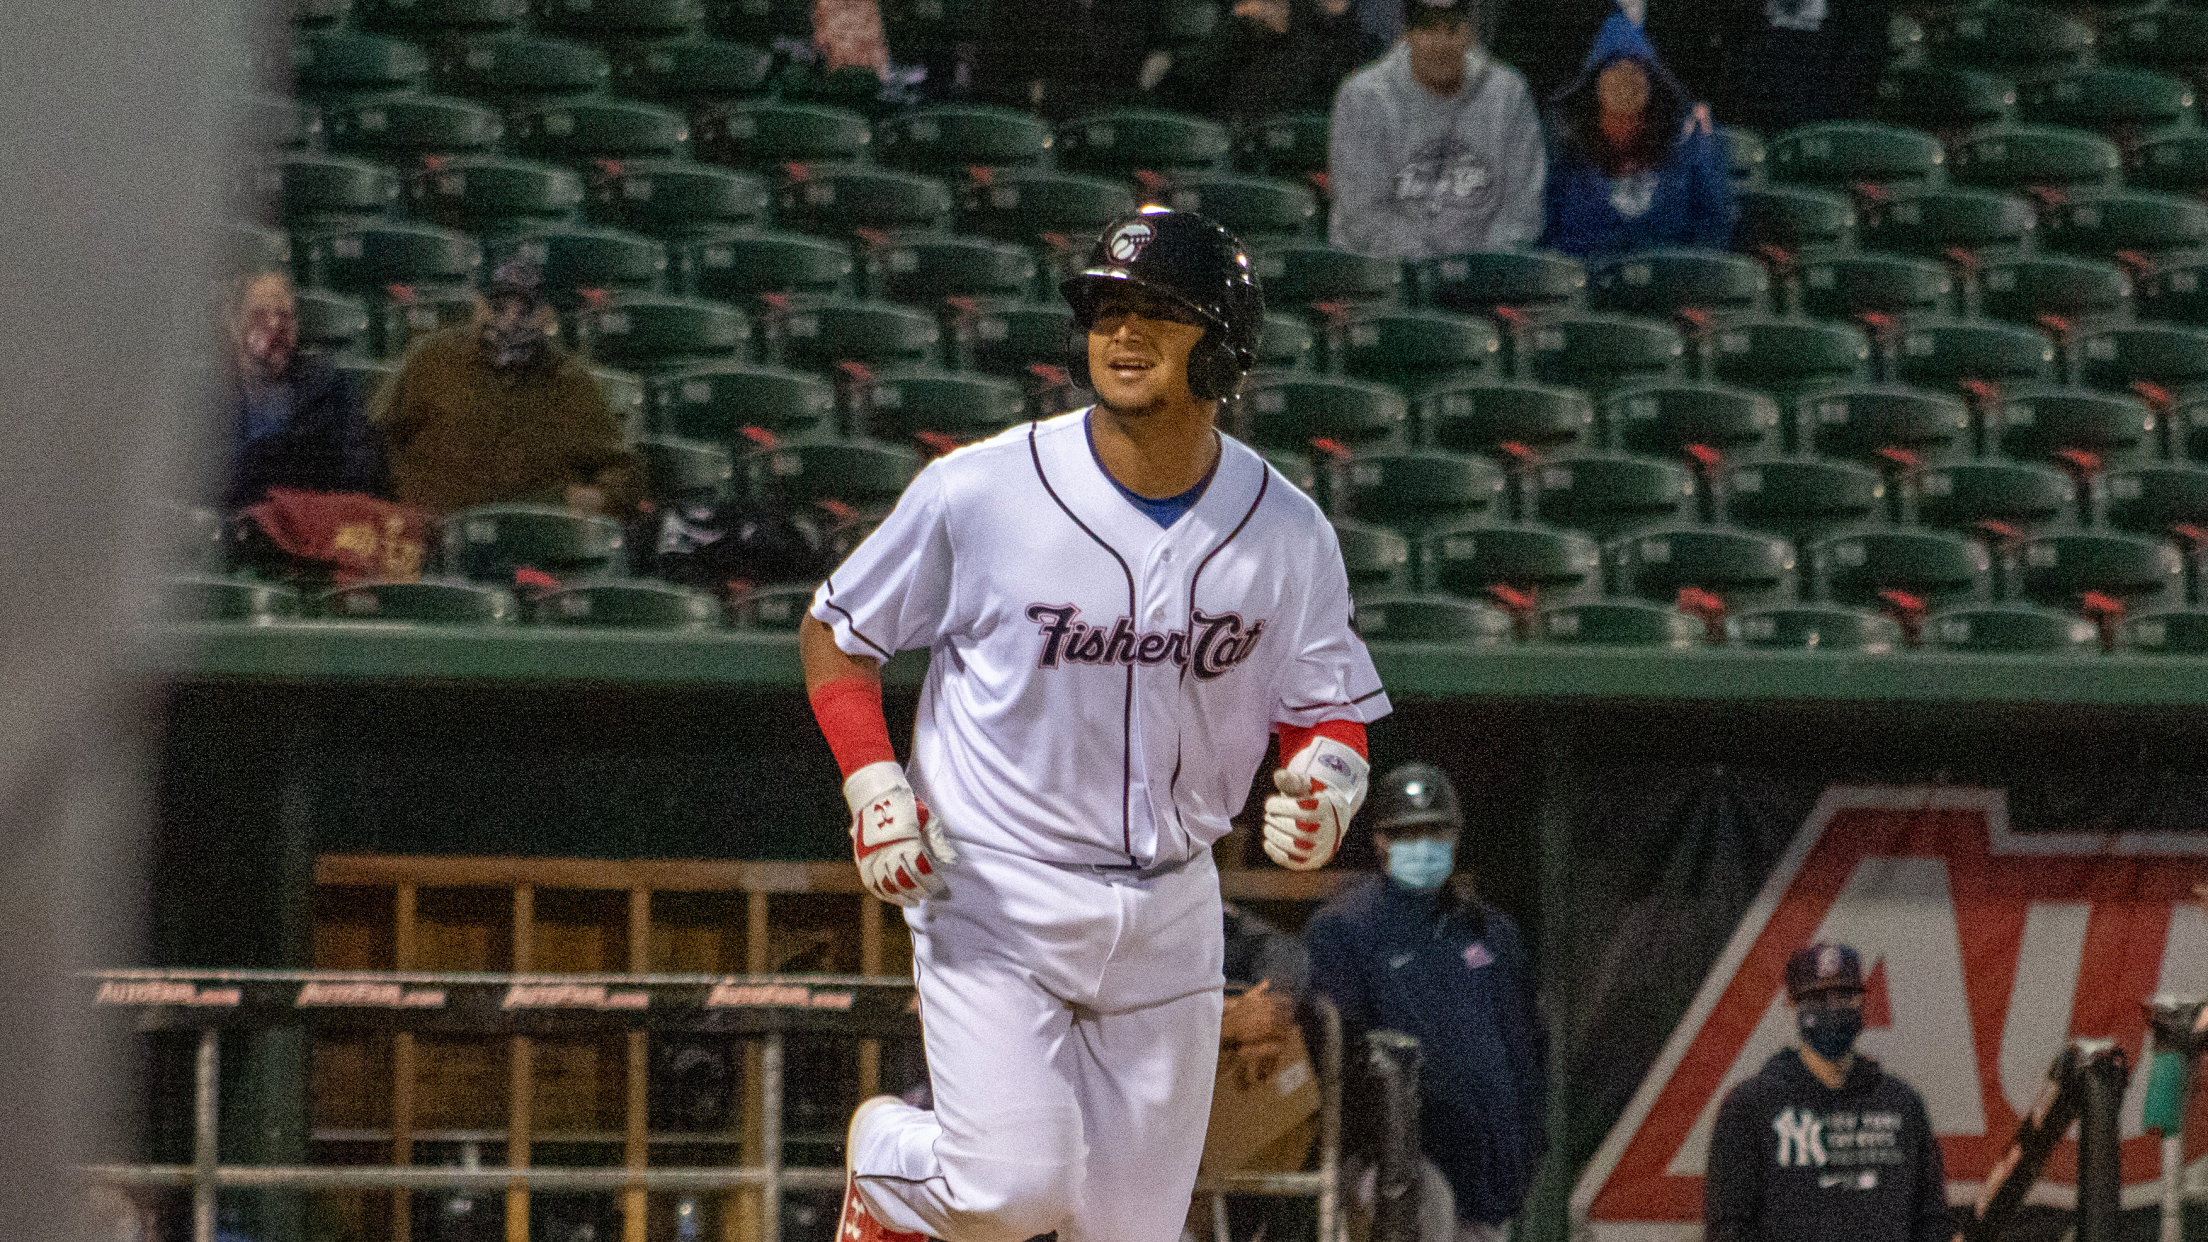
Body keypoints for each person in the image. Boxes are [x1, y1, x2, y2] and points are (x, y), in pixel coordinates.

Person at [806, 206, 1392, 1242]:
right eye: (1106, 307)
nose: (1121, 330)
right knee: (1009, 1191)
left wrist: (1330, 784)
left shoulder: (1289, 530)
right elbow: (837, 632)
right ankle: (890, 1167)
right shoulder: (982, 490)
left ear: (1224, 345)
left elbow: (1328, 705)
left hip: (1172, 904)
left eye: (1158, 309)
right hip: (997, 886)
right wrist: (874, 784)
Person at [1304, 762, 1548, 1242]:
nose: (1423, 845)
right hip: (1398, 1166)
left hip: (1488, 1176)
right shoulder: (1347, 928)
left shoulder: (1488, 931)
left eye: (1435, 831)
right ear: (1380, 840)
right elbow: (1338, 1061)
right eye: (1407, 833)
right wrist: (1378, 1154)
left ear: (1455, 836)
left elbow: (1527, 1047)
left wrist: (1527, 1148)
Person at [1704, 943, 1950, 1242]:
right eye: (1819, 998)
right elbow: (1729, 1226)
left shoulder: (1901, 1103)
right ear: (1792, 1004)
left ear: (1861, 1001)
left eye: (1845, 996)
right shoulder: (1750, 1108)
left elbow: (1931, 1220)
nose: (1834, 1008)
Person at [372, 254, 640, 517]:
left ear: (547, 315)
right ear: (478, 304)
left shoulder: (571, 382)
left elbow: (623, 475)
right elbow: (376, 444)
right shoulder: (432, 359)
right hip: (434, 528)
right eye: (498, 306)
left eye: (525, 310)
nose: (510, 320)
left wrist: (592, 498)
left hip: (530, 535)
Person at [1326, 0, 1546, 260]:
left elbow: (1521, 211)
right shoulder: (1364, 97)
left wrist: (1477, 269)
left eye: (1452, 29)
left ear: (1469, 32)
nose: (1441, 44)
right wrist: (1428, 267)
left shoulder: (1508, 94)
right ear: (1407, 34)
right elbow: (1361, 215)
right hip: (1384, 271)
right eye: (1428, 29)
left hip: (1484, 274)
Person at [1538, 11, 1734, 259]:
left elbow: (1713, 231)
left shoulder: (1691, 140)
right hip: (1583, 277)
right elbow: (1549, 239)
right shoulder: (1566, 148)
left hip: (1670, 279)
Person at [221, 271, 390, 513]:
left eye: (285, 316)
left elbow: (363, 476)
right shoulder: (207, 397)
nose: (275, 326)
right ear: (235, 325)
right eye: (260, 315)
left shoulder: (333, 389)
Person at [1153, 0, 1377, 124]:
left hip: (1290, 146)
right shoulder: (1241, 29)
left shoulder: (1334, 37)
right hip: (1225, 140)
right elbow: (1189, 85)